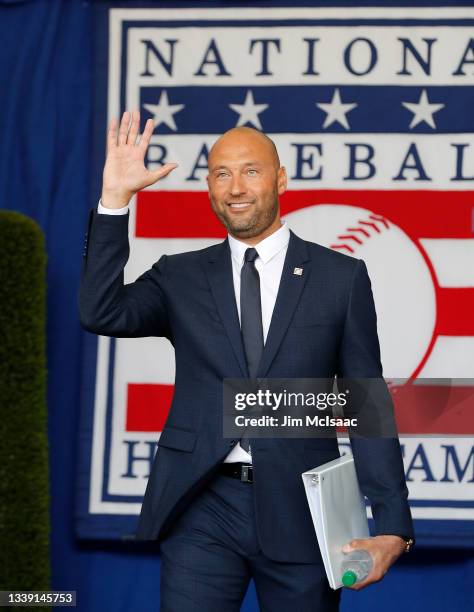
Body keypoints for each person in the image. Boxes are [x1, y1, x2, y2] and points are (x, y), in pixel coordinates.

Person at [79, 110, 415, 612]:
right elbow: (100, 310)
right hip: (201, 506)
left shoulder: (340, 278)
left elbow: (364, 401)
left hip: (302, 509)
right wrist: (115, 201)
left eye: (250, 171)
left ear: (280, 178)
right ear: (209, 188)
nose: (235, 186)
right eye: (220, 173)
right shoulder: (180, 276)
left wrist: (391, 524)